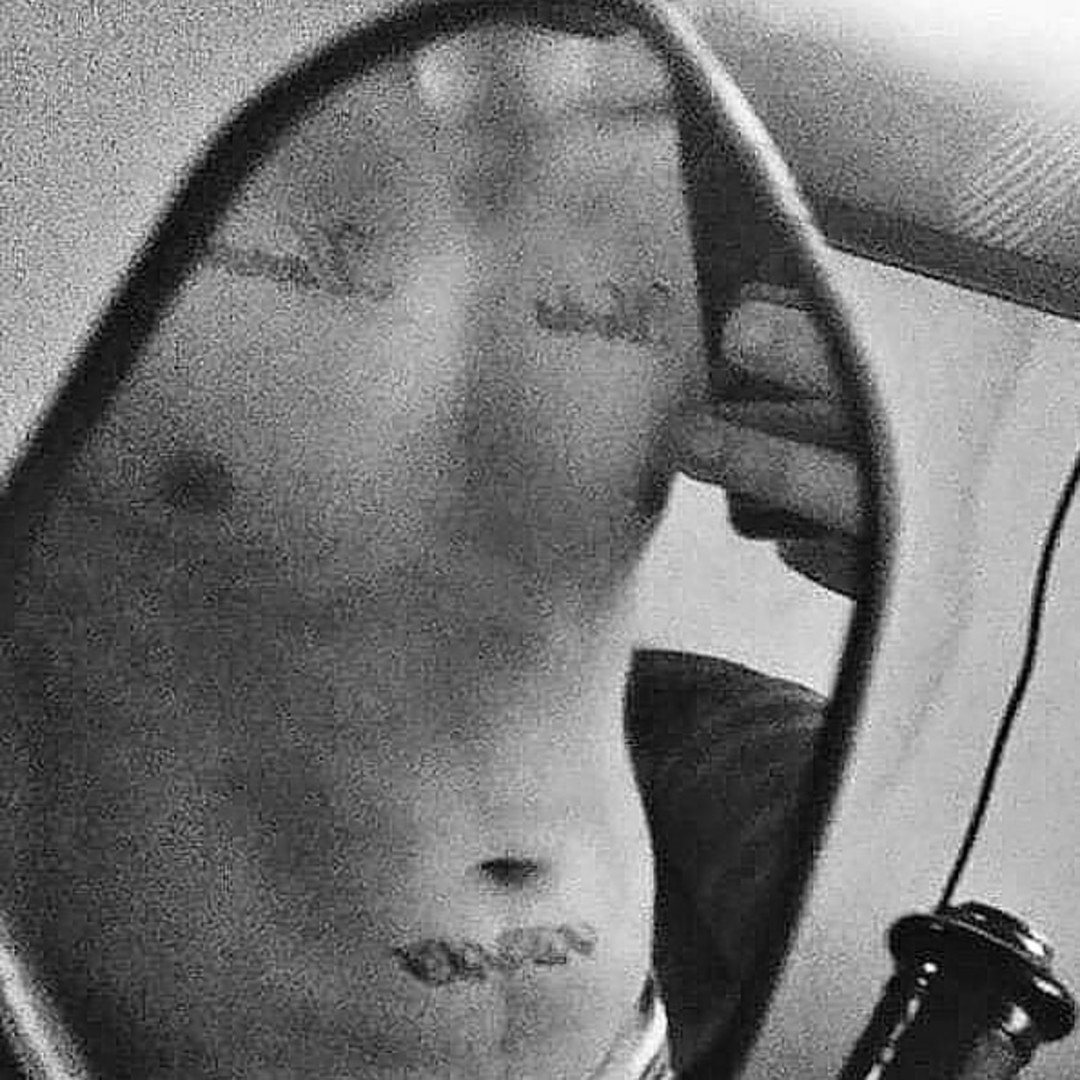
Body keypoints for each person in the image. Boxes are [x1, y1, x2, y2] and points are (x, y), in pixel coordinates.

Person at [0, 23, 864, 1080]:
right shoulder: (89, 63)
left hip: (620, 1049)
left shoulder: (719, 136)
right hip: (136, 1042)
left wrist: (868, 540)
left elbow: (846, 502)